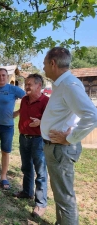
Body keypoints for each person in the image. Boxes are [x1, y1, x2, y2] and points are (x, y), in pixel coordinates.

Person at [41, 47, 97, 225]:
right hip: (55, 149)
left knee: (64, 197)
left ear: (53, 63)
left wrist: (70, 138)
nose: (43, 68)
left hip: (61, 149)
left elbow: (92, 115)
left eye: (44, 64)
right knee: (60, 193)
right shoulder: (62, 84)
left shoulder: (69, 85)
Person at [13, 74, 49, 218]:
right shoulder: (24, 100)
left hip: (38, 140)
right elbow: (22, 112)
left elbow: (53, 120)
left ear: (39, 86)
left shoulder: (46, 101)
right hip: (24, 138)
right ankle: (27, 192)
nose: (26, 87)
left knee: (40, 172)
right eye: (26, 84)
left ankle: (40, 204)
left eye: (30, 84)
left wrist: (41, 122)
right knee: (26, 167)